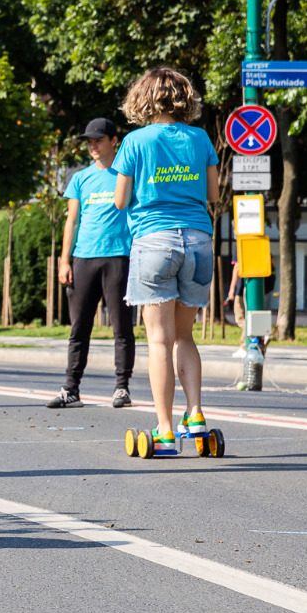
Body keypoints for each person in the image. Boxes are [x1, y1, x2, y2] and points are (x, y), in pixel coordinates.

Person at [113, 67, 219, 456]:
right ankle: (196, 416)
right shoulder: (201, 137)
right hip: (198, 239)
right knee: (185, 336)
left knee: (158, 339)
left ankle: (164, 430)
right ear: (184, 99)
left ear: (142, 98)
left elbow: (120, 201)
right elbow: (212, 192)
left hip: (154, 241)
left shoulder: (135, 141)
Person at [48, 117, 136, 409]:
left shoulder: (128, 174)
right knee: (78, 329)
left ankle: (122, 388)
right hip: (83, 258)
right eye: (89, 141)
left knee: (122, 327)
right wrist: (64, 261)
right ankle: (71, 388)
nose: (93, 146)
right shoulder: (80, 178)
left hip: (118, 257)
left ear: (114, 141)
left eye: (99, 140)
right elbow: (71, 222)